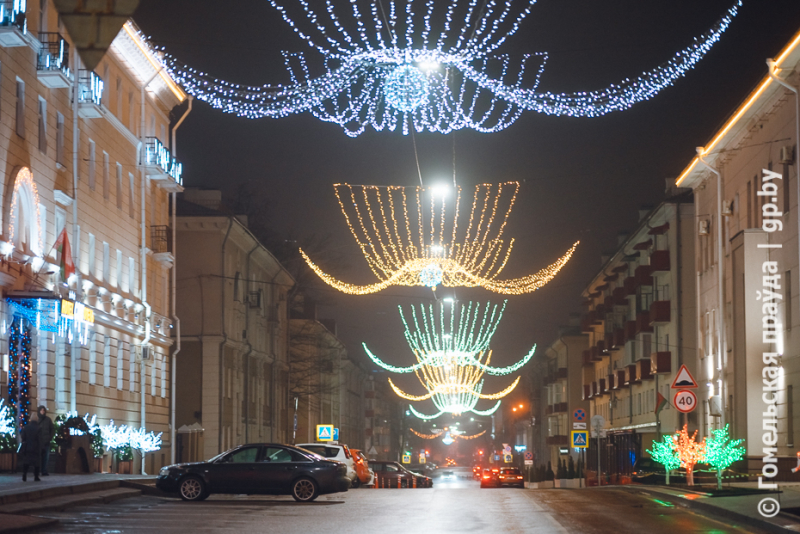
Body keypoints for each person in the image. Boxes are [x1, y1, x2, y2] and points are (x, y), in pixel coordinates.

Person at [20, 413, 41, 482]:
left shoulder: (26, 427)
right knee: (36, 463)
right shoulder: (38, 428)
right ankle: (36, 476)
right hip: (35, 447)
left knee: (26, 462)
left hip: (27, 447)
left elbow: (23, 437)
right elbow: (39, 439)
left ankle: (24, 475)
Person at [37, 406, 54, 476]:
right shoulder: (37, 420)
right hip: (39, 442)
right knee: (39, 457)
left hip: (46, 441)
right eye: (41, 410)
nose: (42, 412)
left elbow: (52, 429)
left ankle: (44, 470)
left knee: (46, 457)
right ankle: (38, 470)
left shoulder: (48, 420)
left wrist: (50, 437)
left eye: (43, 410)